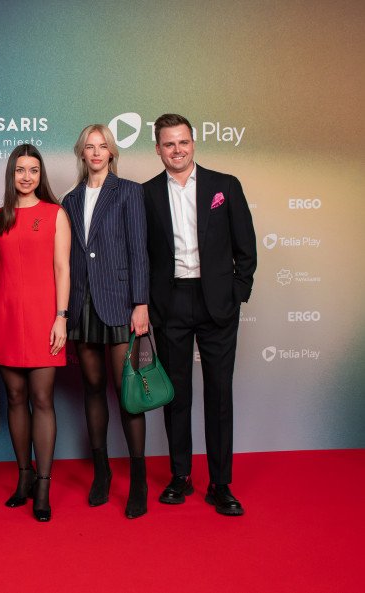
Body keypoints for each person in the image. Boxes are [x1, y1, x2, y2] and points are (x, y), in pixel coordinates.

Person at [143, 113, 256, 516]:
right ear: (158, 149)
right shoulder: (146, 194)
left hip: (217, 303)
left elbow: (246, 247)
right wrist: (149, 303)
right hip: (171, 302)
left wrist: (237, 293)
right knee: (176, 396)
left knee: (219, 394)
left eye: (183, 142)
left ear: (193, 143)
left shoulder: (225, 186)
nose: (177, 150)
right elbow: (143, 254)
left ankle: (220, 484)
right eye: (169, 144)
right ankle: (180, 476)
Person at [61, 125, 150, 519]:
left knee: (128, 394)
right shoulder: (70, 199)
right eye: (89, 147)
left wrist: (140, 303)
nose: (96, 153)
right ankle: (102, 472)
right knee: (93, 390)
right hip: (82, 304)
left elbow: (139, 251)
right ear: (81, 153)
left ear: (112, 153)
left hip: (119, 304)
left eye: (103, 147)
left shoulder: (128, 192)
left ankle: (139, 481)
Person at [0, 144, 70, 522]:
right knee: (15, 397)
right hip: (5, 317)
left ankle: (44, 486)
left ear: (40, 175)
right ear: (11, 174)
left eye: (33, 170)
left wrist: (61, 317)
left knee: (42, 398)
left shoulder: (55, 214)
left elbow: (63, 268)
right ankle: (24, 477)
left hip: (44, 317)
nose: (27, 176)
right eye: (20, 170)